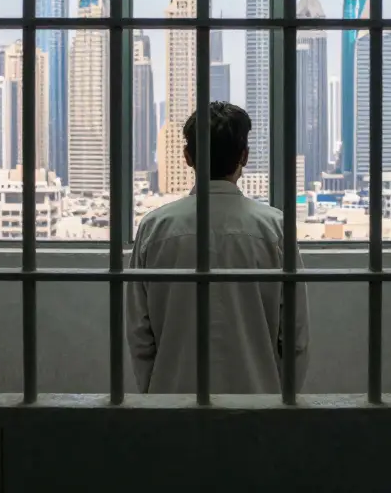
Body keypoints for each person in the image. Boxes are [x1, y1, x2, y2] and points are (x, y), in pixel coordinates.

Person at [127, 102, 310, 395]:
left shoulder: (154, 228)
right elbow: (295, 336)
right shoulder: (275, 229)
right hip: (258, 399)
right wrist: (283, 398)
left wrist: (155, 393)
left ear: (187, 157)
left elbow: (139, 334)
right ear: (245, 156)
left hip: (173, 398)